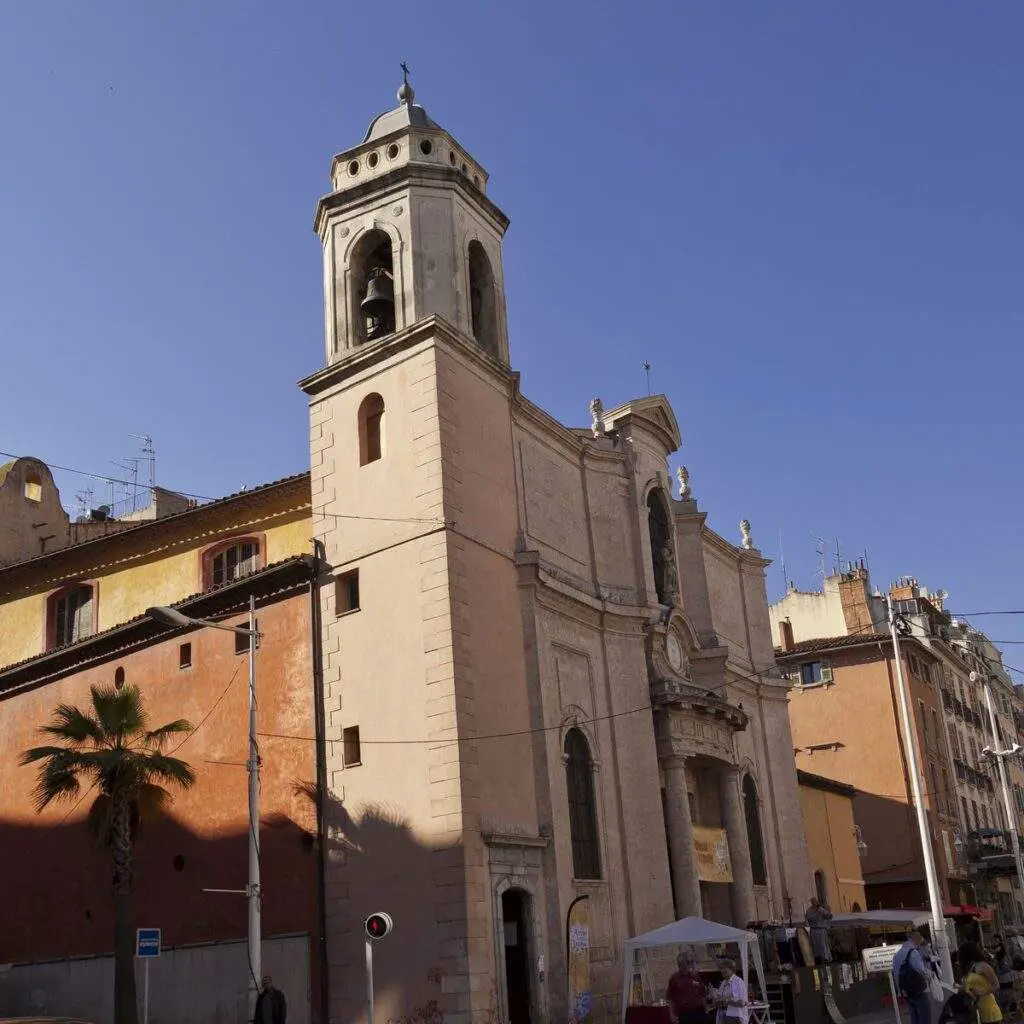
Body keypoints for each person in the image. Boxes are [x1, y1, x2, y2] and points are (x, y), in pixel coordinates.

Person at [892, 931, 933, 1024]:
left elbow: (895, 975)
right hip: (918, 991)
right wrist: (931, 975)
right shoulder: (913, 952)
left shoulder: (896, 955)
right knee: (924, 1018)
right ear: (915, 941)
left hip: (906, 992)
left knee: (914, 1018)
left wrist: (901, 992)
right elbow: (922, 971)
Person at [961, 943, 1002, 1024]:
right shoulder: (971, 967)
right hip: (980, 1010)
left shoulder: (983, 966)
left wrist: (980, 992)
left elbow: (996, 985)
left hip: (990, 1010)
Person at [666, 951, 711, 1024]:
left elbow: (702, 993)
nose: (691, 964)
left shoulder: (696, 976)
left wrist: (706, 1008)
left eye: (692, 961)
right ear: (681, 964)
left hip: (700, 1012)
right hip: (684, 1014)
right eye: (688, 962)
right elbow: (671, 998)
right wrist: (672, 1015)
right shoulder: (675, 978)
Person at [714, 958, 749, 1024]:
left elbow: (742, 1003)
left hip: (734, 1018)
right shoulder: (723, 983)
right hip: (722, 1017)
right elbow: (719, 1001)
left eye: (725, 968)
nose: (722, 971)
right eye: (721, 968)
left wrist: (726, 1000)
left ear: (732, 969)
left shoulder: (738, 982)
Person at [806, 897, 834, 964]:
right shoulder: (809, 911)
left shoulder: (821, 909)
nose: (815, 902)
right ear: (811, 902)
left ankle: (826, 960)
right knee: (815, 949)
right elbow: (810, 918)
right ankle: (817, 961)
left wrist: (821, 910)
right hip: (814, 931)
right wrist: (817, 912)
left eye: (816, 901)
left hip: (822, 931)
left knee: (823, 947)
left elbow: (829, 916)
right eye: (813, 901)